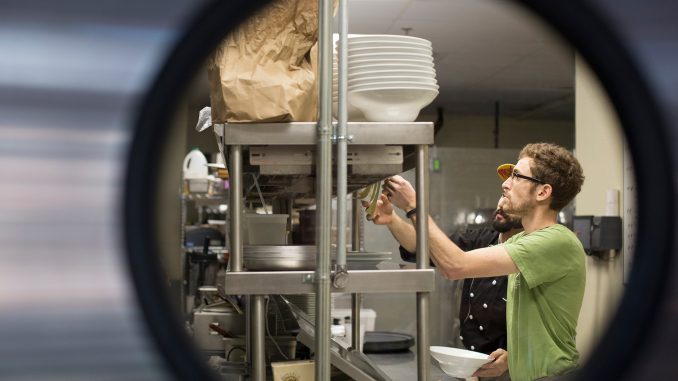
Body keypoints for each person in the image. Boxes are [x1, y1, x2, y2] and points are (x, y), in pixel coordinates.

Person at [368, 143, 586, 381]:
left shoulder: (556, 241)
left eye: (516, 176)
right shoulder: (523, 239)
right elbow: (438, 254)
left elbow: (455, 266)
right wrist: (516, 354)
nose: (505, 183)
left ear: (543, 192)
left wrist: (414, 206)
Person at [399, 197, 523, 381]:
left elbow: (455, 266)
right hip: (473, 362)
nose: (501, 205)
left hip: (514, 367)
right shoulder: (482, 238)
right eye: (502, 197)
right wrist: (391, 218)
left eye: (511, 201)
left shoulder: (533, 250)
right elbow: (426, 247)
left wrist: (514, 356)